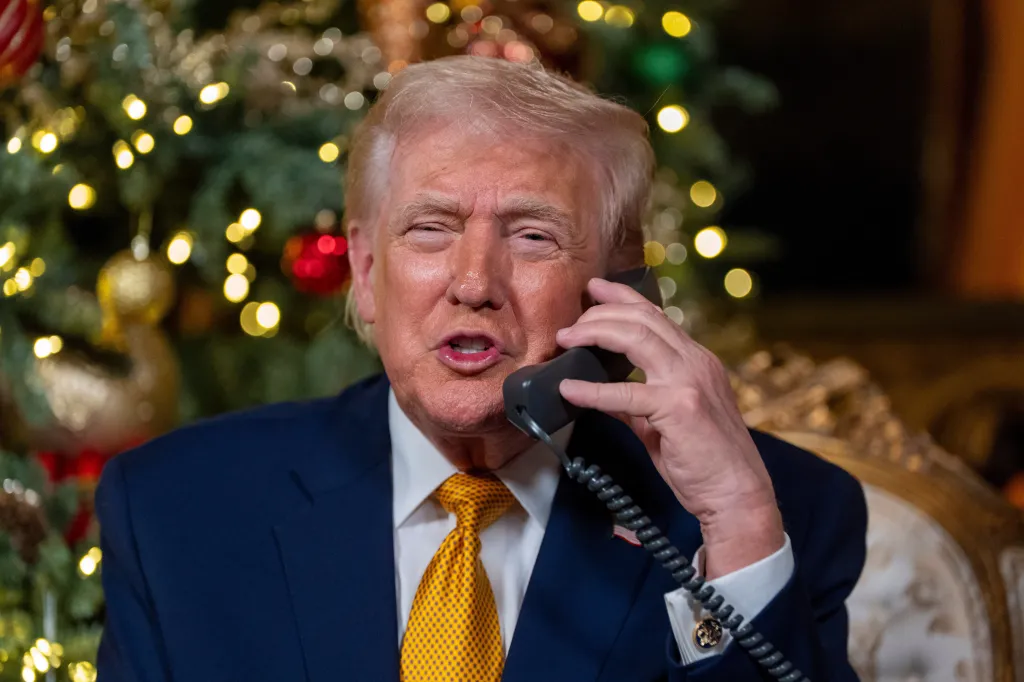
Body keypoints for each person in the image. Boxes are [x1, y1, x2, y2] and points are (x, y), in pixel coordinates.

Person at [96, 56, 867, 682]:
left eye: (533, 237)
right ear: (366, 273)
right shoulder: (178, 509)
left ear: (623, 289)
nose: (473, 283)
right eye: (430, 230)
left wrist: (732, 525)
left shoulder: (776, 513)